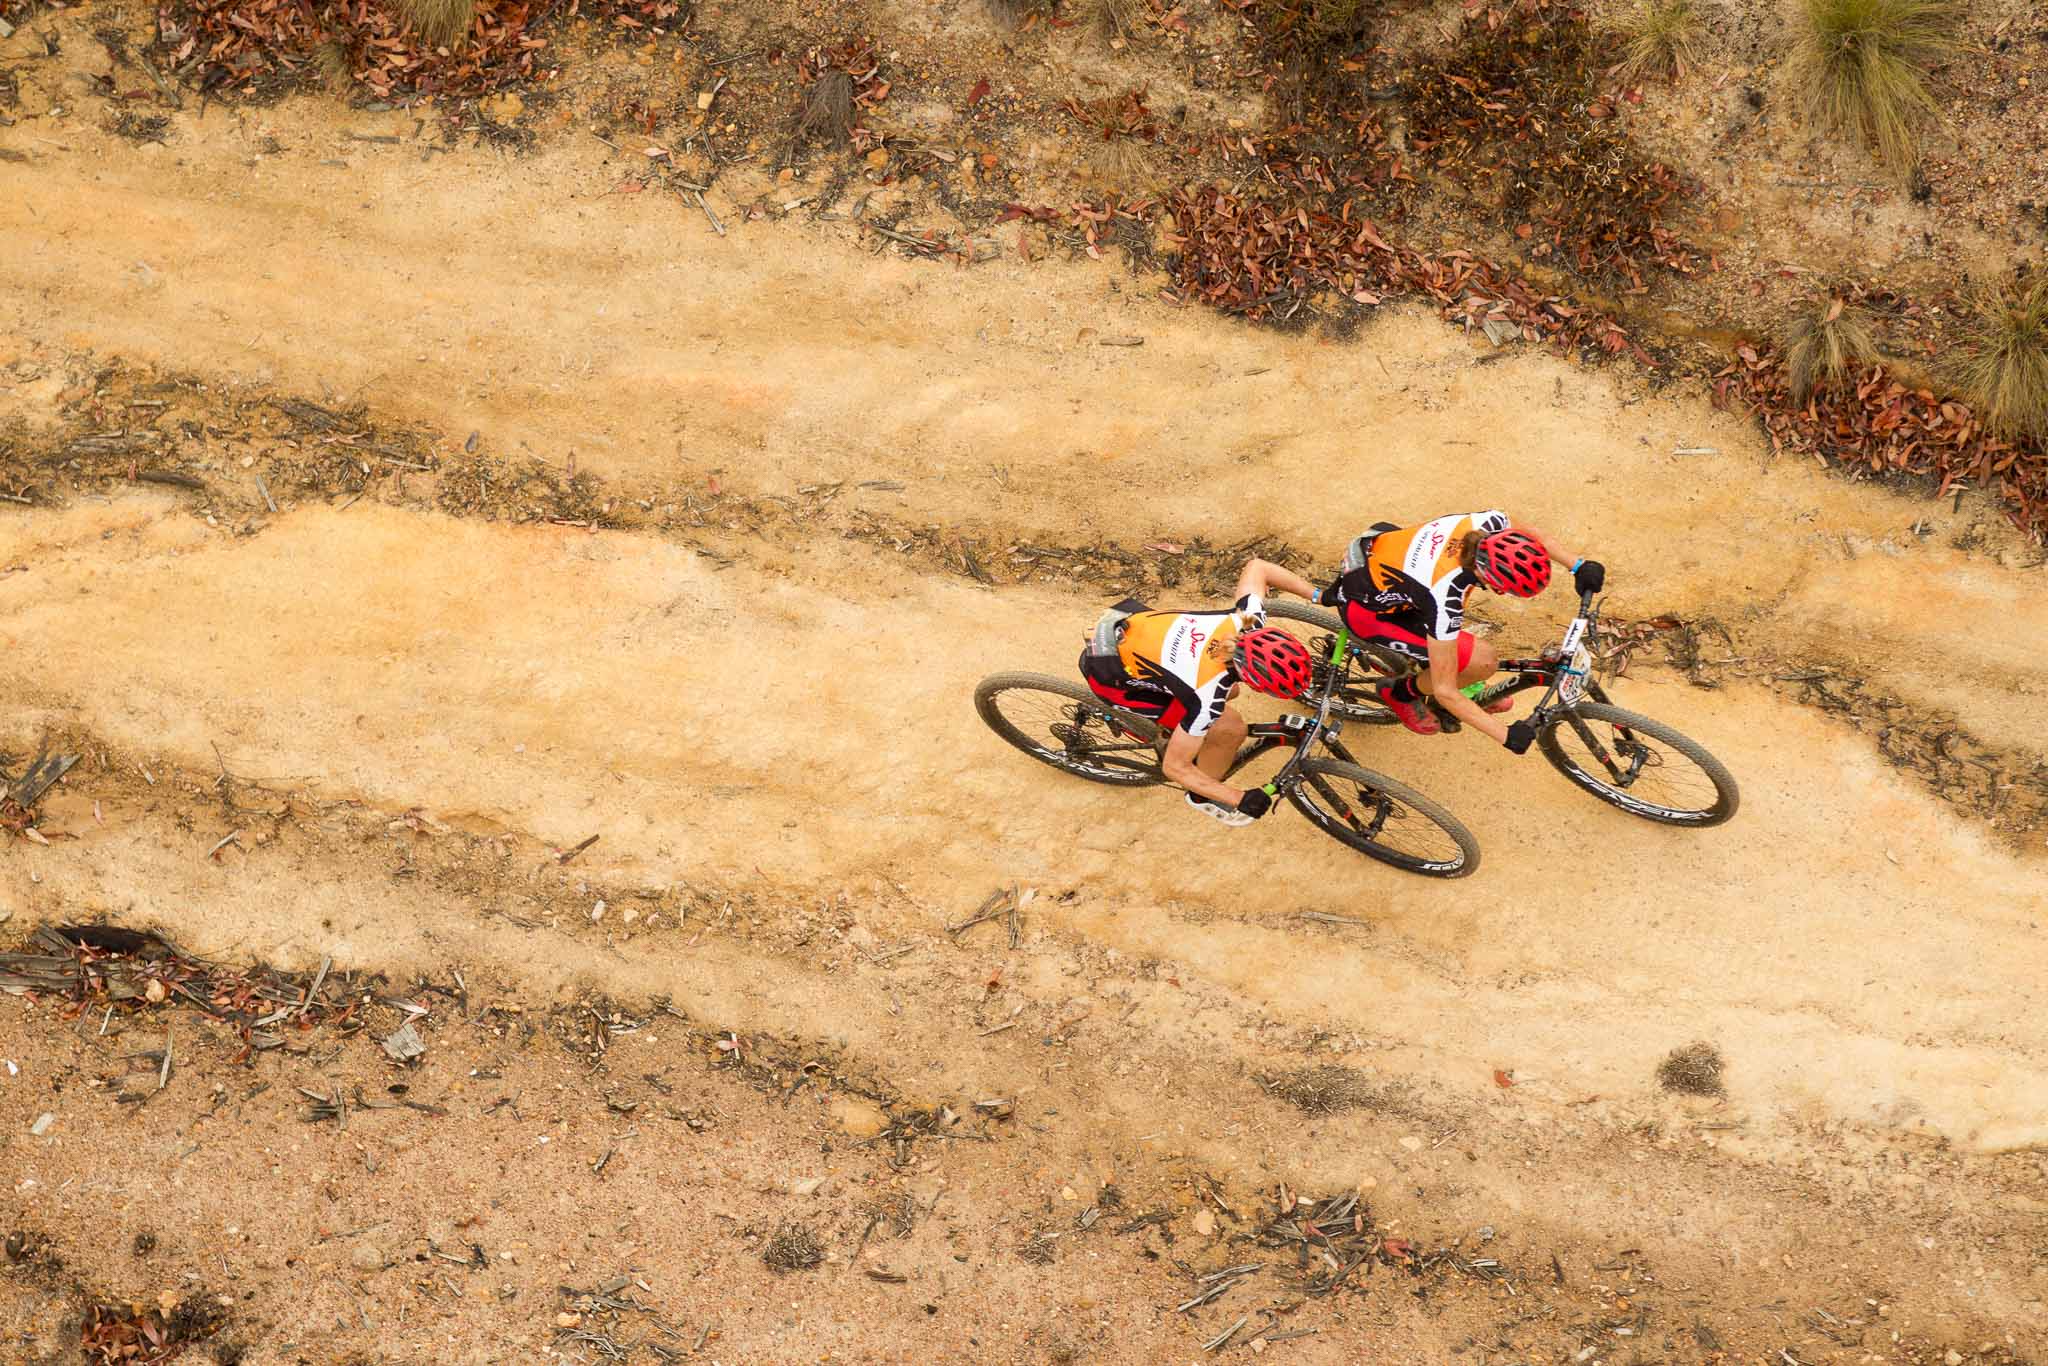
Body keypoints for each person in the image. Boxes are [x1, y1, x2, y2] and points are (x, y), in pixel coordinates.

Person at [1317, 512, 1604, 752]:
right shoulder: (1444, 596)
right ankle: (1400, 693)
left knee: (1460, 654)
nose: (1503, 593)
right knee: (1481, 662)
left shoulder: (1486, 526)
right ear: (1486, 577)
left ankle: (1432, 672)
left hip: (1383, 554)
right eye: (1505, 589)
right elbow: (1444, 691)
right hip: (1371, 613)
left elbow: (1523, 530)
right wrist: (1504, 735)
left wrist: (1577, 565)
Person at [1079, 559, 1319, 827]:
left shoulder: (1246, 621)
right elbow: (1175, 768)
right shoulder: (1207, 694)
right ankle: (1200, 796)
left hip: (1128, 629)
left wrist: (1319, 595)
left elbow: (1258, 567)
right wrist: (1236, 797)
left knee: (1232, 692)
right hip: (1112, 677)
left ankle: (1184, 732)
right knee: (1229, 729)